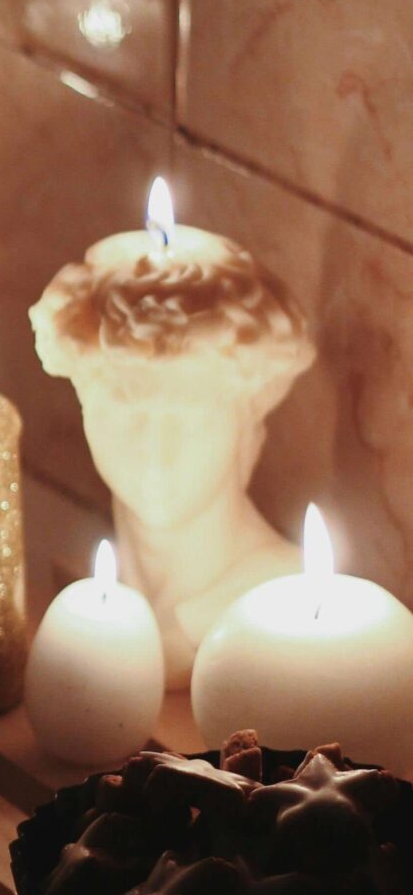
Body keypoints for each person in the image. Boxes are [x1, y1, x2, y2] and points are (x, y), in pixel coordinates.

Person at [31, 225, 315, 684]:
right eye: (126, 408)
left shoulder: (279, 599)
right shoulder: (103, 597)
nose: (155, 450)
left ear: (248, 417)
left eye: (191, 414)